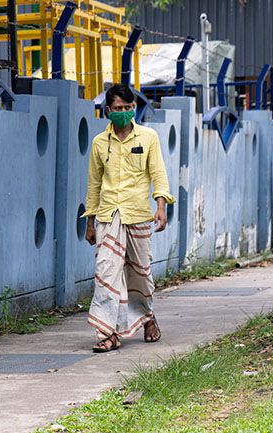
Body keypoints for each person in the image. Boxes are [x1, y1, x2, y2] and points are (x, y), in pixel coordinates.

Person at [82, 83, 175, 353]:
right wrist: (89, 223)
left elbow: (158, 173)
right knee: (106, 273)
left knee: (141, 273)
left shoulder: (148, 138)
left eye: (128, 108)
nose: (123, 113)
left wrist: (161, 206)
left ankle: (148, 318)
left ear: (134, 108)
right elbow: (94, 184)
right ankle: (107, 332)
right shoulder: (100, 143)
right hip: (108, 215)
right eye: (118, 109)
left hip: (137, 215)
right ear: (108, 110)